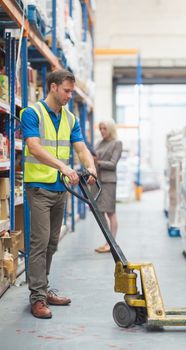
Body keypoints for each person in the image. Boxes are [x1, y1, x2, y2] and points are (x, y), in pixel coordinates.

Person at [20, 69, 96, 319]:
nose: (69, 95)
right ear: (53, 87)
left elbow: (81, 147)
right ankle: (37, 298)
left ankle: (43, 288)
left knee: (52, 243)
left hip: (60, 188)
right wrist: (64, 166)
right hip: (39, 187)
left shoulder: (70, 118)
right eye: (66, 90)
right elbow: (33, 146)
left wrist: (91, 166)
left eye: (72, 91)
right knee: (40, 243)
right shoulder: (32, 113)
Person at [94, 120, 122, 253]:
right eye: (100, 129)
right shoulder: (99, 143)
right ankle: (108, 240)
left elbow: (113, 164)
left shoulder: (116, 143)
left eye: (104, 128)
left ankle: (111, 243)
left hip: (109, 181)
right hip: (98, 181)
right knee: (99, 211)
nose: (102, 131)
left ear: (110, 129)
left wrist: (98, 162)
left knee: (110, 212)